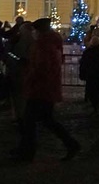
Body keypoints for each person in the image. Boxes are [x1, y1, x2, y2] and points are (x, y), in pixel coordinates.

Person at [16, 18, 80, 161]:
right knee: (45, 120)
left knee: (30, 121)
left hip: (40, 88)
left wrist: (28, 77)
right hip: (47, 88)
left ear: (39, 31)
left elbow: (40, 68)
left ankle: (27, 152)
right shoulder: (52, 42)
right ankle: (70, 144)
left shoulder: (43, 45)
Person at [79, 31, 99, 114]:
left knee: (92, 92)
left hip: (91, 75)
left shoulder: (88, 52)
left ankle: (95, 107)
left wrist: (82, 74)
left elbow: (83, 64)